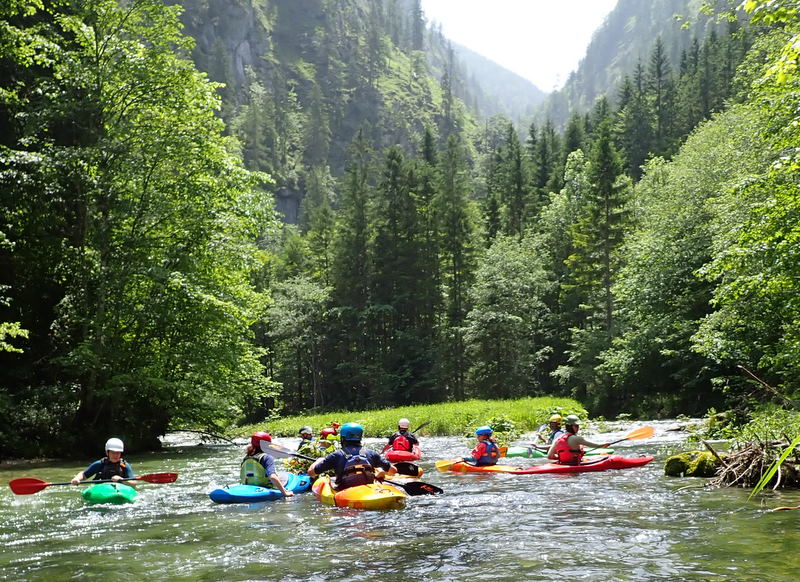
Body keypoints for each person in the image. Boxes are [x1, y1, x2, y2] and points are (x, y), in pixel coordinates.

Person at [307, 422, 395, 490]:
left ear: (342, 438)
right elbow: (393, 471)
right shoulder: (371, 453)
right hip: (369, 490)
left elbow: (311, 473)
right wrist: (380, 473)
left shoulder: (336, 455)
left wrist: (319, 460)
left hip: (345, 492)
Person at [241, 431, 294, 496]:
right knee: (286, 476)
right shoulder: (267, 457)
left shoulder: (246, 457)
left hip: (249, 485)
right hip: (265, 486)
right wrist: (285, 493)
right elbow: (272, 477)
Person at [71, 437, 138, 485]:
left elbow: (134, 482)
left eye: (118, 453)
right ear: (107, 453)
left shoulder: (124, 465)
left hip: (120, 489)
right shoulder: (99, 464)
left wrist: (121, 480)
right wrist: (77, 478)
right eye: (113, 453)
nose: (115, 455)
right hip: (101, 489)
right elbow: (84, 474)